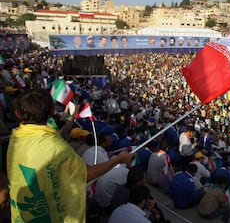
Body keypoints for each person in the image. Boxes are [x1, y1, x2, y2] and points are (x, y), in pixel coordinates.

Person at [6, 88, 135, 222]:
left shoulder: (15, 137)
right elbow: (87, 174)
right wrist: (118, 159)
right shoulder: (56, 148)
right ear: (52, 111)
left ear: (17, 113)